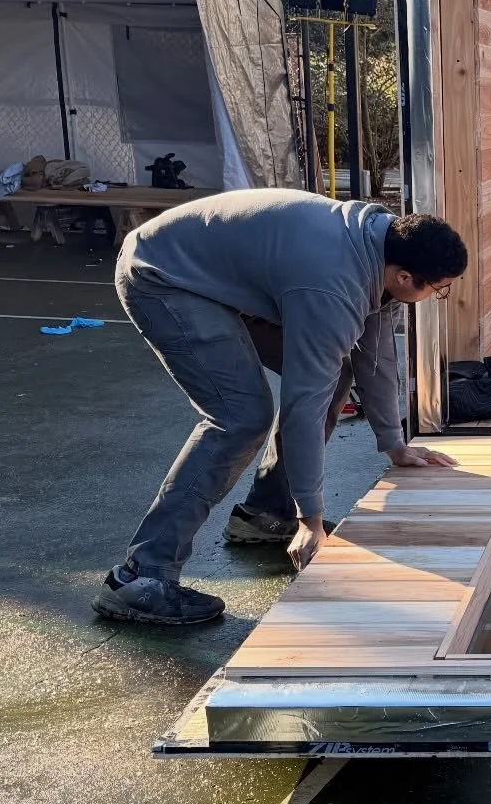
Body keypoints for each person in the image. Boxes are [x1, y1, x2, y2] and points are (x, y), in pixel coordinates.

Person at [93, 189, 469, 626]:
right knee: (239, 417)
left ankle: (265, 514)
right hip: (165, 276)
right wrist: (311, 518)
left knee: (335, 373)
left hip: (224, 276)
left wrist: (394, 445)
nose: (437, 297)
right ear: (405, 277)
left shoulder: (383, 244)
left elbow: (377, 356)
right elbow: (302, 404)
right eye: (438, 291)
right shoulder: (333, 285)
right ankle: (142, 576)